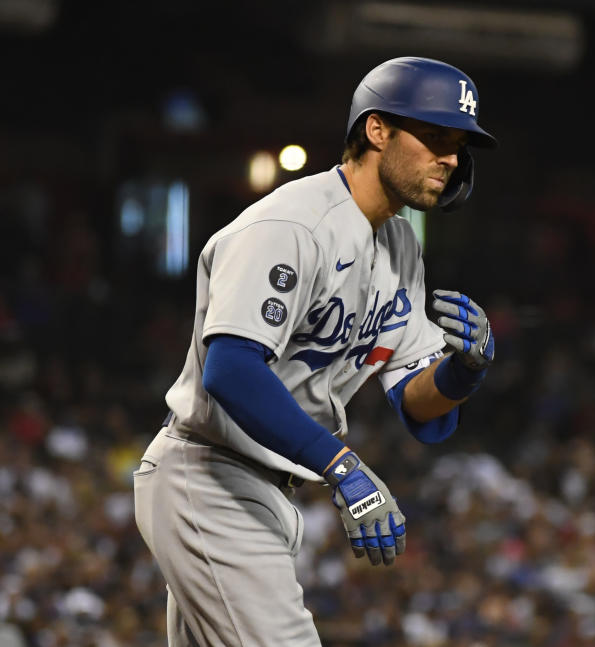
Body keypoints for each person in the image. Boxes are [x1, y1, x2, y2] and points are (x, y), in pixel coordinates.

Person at [133, 56, 497, 646]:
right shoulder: (293, 225)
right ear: (376, 130)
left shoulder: (401, 244)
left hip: (263, 491)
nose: (451, 158)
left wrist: (464, 371)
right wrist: (343, 465)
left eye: (457, 145)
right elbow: (231, 367)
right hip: (209, 477)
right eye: (434, 137)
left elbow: (416, 400)